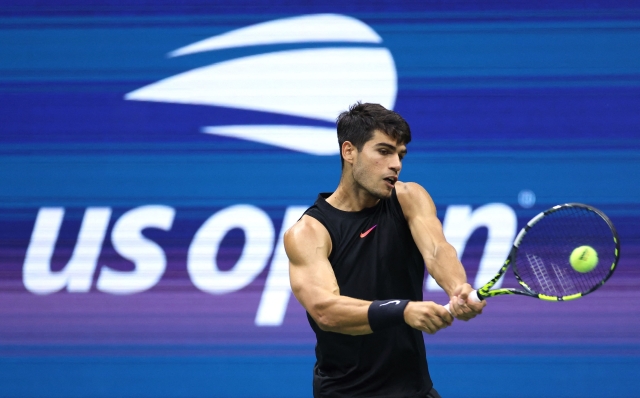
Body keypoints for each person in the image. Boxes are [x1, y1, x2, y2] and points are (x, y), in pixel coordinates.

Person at [284, 103, 486, 398]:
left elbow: (437, 251)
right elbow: (326, 311)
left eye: (400, 155)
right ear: (349, 151)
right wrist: (402, 310)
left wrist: (458, 289)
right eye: (384, 151)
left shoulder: (409, 198)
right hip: (347, 393)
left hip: (415, 389)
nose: (396, 164)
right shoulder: (309, 232)